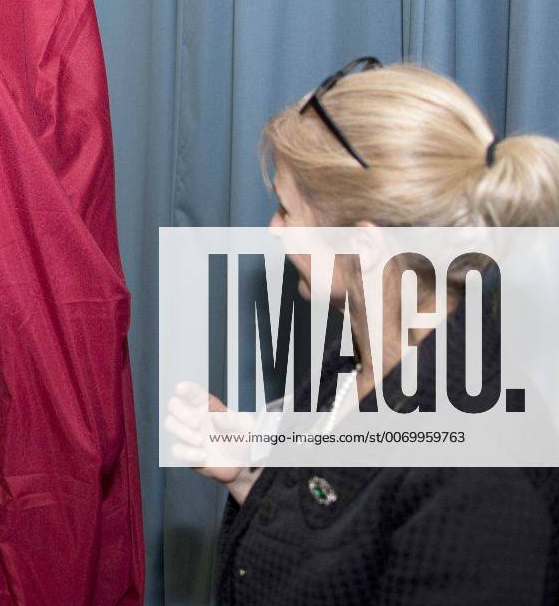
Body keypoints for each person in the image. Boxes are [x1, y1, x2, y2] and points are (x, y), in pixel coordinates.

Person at [169, 59, 559, 605]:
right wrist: (249, 476)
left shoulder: (481, 468)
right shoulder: (350, 365)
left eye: (286, 211)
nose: (272, 231)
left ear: (365, 246)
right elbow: (338, 551)